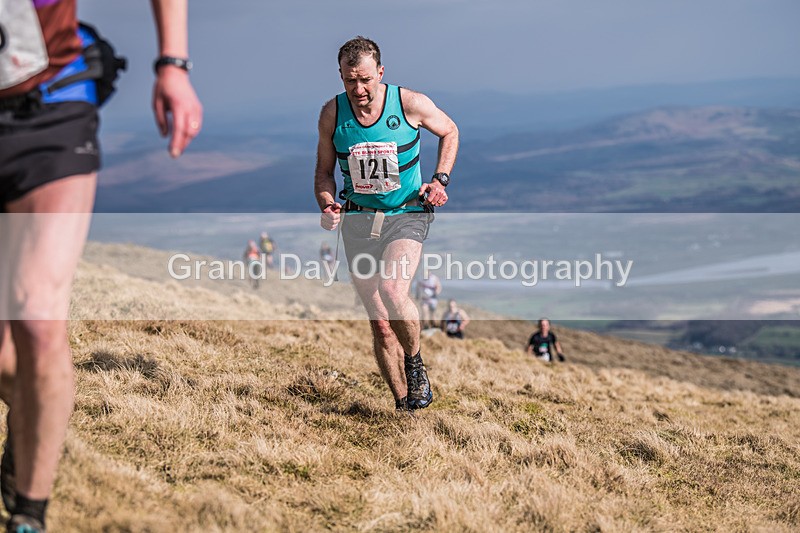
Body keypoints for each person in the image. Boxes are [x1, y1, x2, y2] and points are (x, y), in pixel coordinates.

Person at [0, 2, 202, 531]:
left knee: (38, 322)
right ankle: (27, 419)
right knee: (6, 359)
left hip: (52, 106)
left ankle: (29, 513)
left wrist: (172, 64)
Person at [316, 37, 458, 411]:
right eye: (350, 81)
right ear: (341, 77)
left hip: (406, 214)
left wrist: (440, 180)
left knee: (394, 291)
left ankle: (414, 362)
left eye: (366, 79)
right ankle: (404, 406)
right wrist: (328, 203)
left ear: (380, 72)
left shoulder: (409, 103)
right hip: (359, 222)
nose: (359, 90)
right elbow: (323, 174)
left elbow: (450, 131)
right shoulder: (332, 114)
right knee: (380, 323)